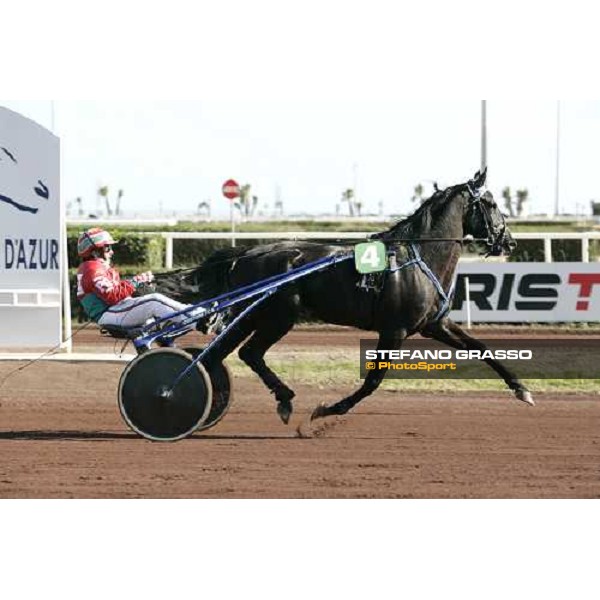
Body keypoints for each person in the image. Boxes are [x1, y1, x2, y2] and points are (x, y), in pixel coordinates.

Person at [76, 227, 202, 331]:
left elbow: (115, 293)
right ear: (94, 252)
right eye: (107, 247)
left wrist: (139, 282)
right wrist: (137, 280)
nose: (111, 252)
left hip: (115, 311)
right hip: (110, 314)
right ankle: (197, 320)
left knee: (158, 296)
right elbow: (113, 295)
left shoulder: (93, 268)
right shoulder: (93, 268)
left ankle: (194, 314)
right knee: (154, 300)